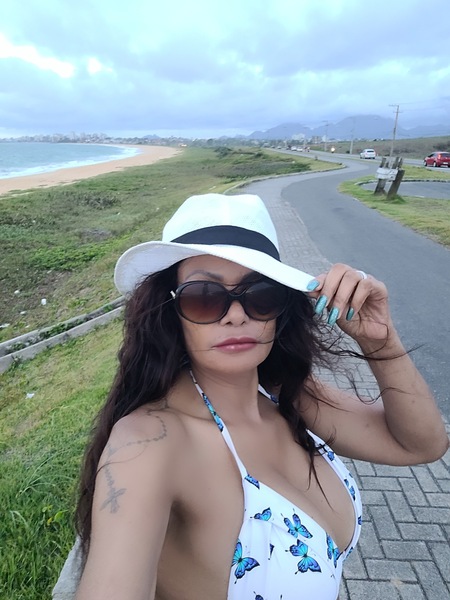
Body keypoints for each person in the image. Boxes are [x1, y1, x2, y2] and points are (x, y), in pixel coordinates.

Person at [55, 193, 448, 600]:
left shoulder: (289, 397)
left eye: (260, 295)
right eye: (204, 296)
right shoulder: (149, 443)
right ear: (171, 312)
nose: (236, 315)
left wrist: (381, 343)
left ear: (281, 309)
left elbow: (422, 445)